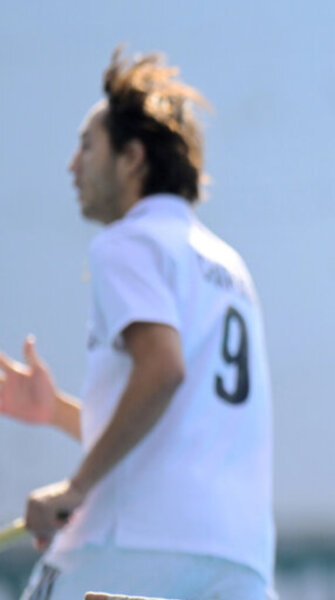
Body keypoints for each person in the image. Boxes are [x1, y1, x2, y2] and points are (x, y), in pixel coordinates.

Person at [0, 48, 274, 600]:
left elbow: (162, 371)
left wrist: (74, 490)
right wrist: (57, 412)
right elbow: (180, 422)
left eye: (86, 146)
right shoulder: (228, 264)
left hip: (129, 548)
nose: (72, 165)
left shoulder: (126, 242)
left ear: (131, 159)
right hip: (238, 561)